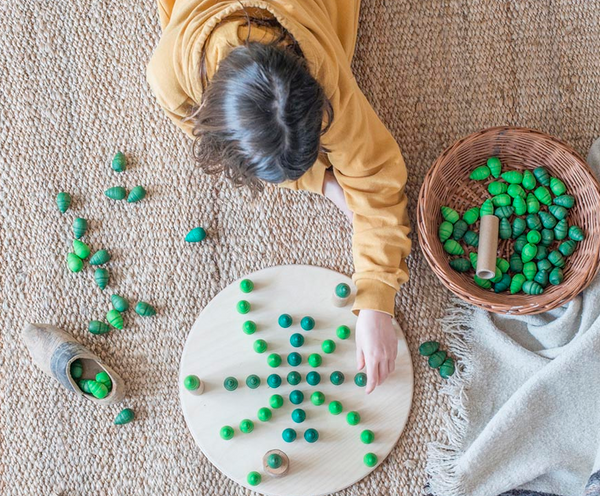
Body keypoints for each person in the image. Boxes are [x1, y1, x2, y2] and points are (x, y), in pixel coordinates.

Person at [147, 0, 411, 393]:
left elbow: (377, 178)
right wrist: (322, 182)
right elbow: (202, 137)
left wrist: (376, 298)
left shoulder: (327, 80)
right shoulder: (171, 77)